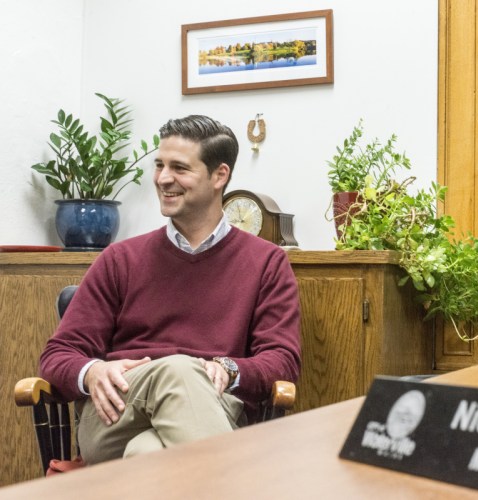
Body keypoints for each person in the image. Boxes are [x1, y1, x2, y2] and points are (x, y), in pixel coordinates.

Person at [39, 115, 301, 465]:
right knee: (177, 369)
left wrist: (230, 369)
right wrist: (94, 372)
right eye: (159, 165)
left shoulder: (267, 263)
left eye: (179, 168)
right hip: (115, 416)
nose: (163, 179)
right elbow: (58, 354)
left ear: (219, 176)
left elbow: (282, 360)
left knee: (147, 453)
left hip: (212, 409)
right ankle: (237, 480)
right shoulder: (119, 259)